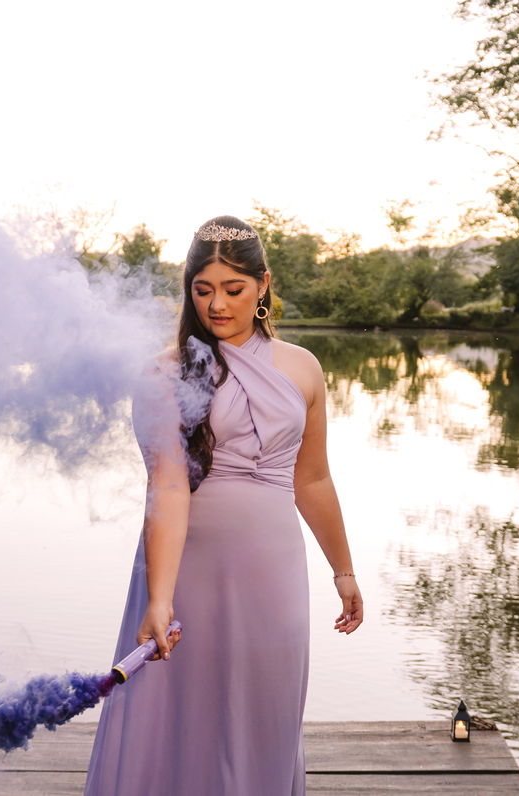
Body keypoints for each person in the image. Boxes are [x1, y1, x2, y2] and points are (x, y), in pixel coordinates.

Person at [84, 215, 363, 795]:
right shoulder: (163, 374)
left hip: (273, 567)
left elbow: (312, 480)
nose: (217, 305)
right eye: (202, 289)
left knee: (267, 704)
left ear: (263, 285)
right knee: (178, 709)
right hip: (185, 569)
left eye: (233, 290)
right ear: (187, 290)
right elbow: (165, 488)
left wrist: (344, 570)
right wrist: (159, 597)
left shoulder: (303, 367)